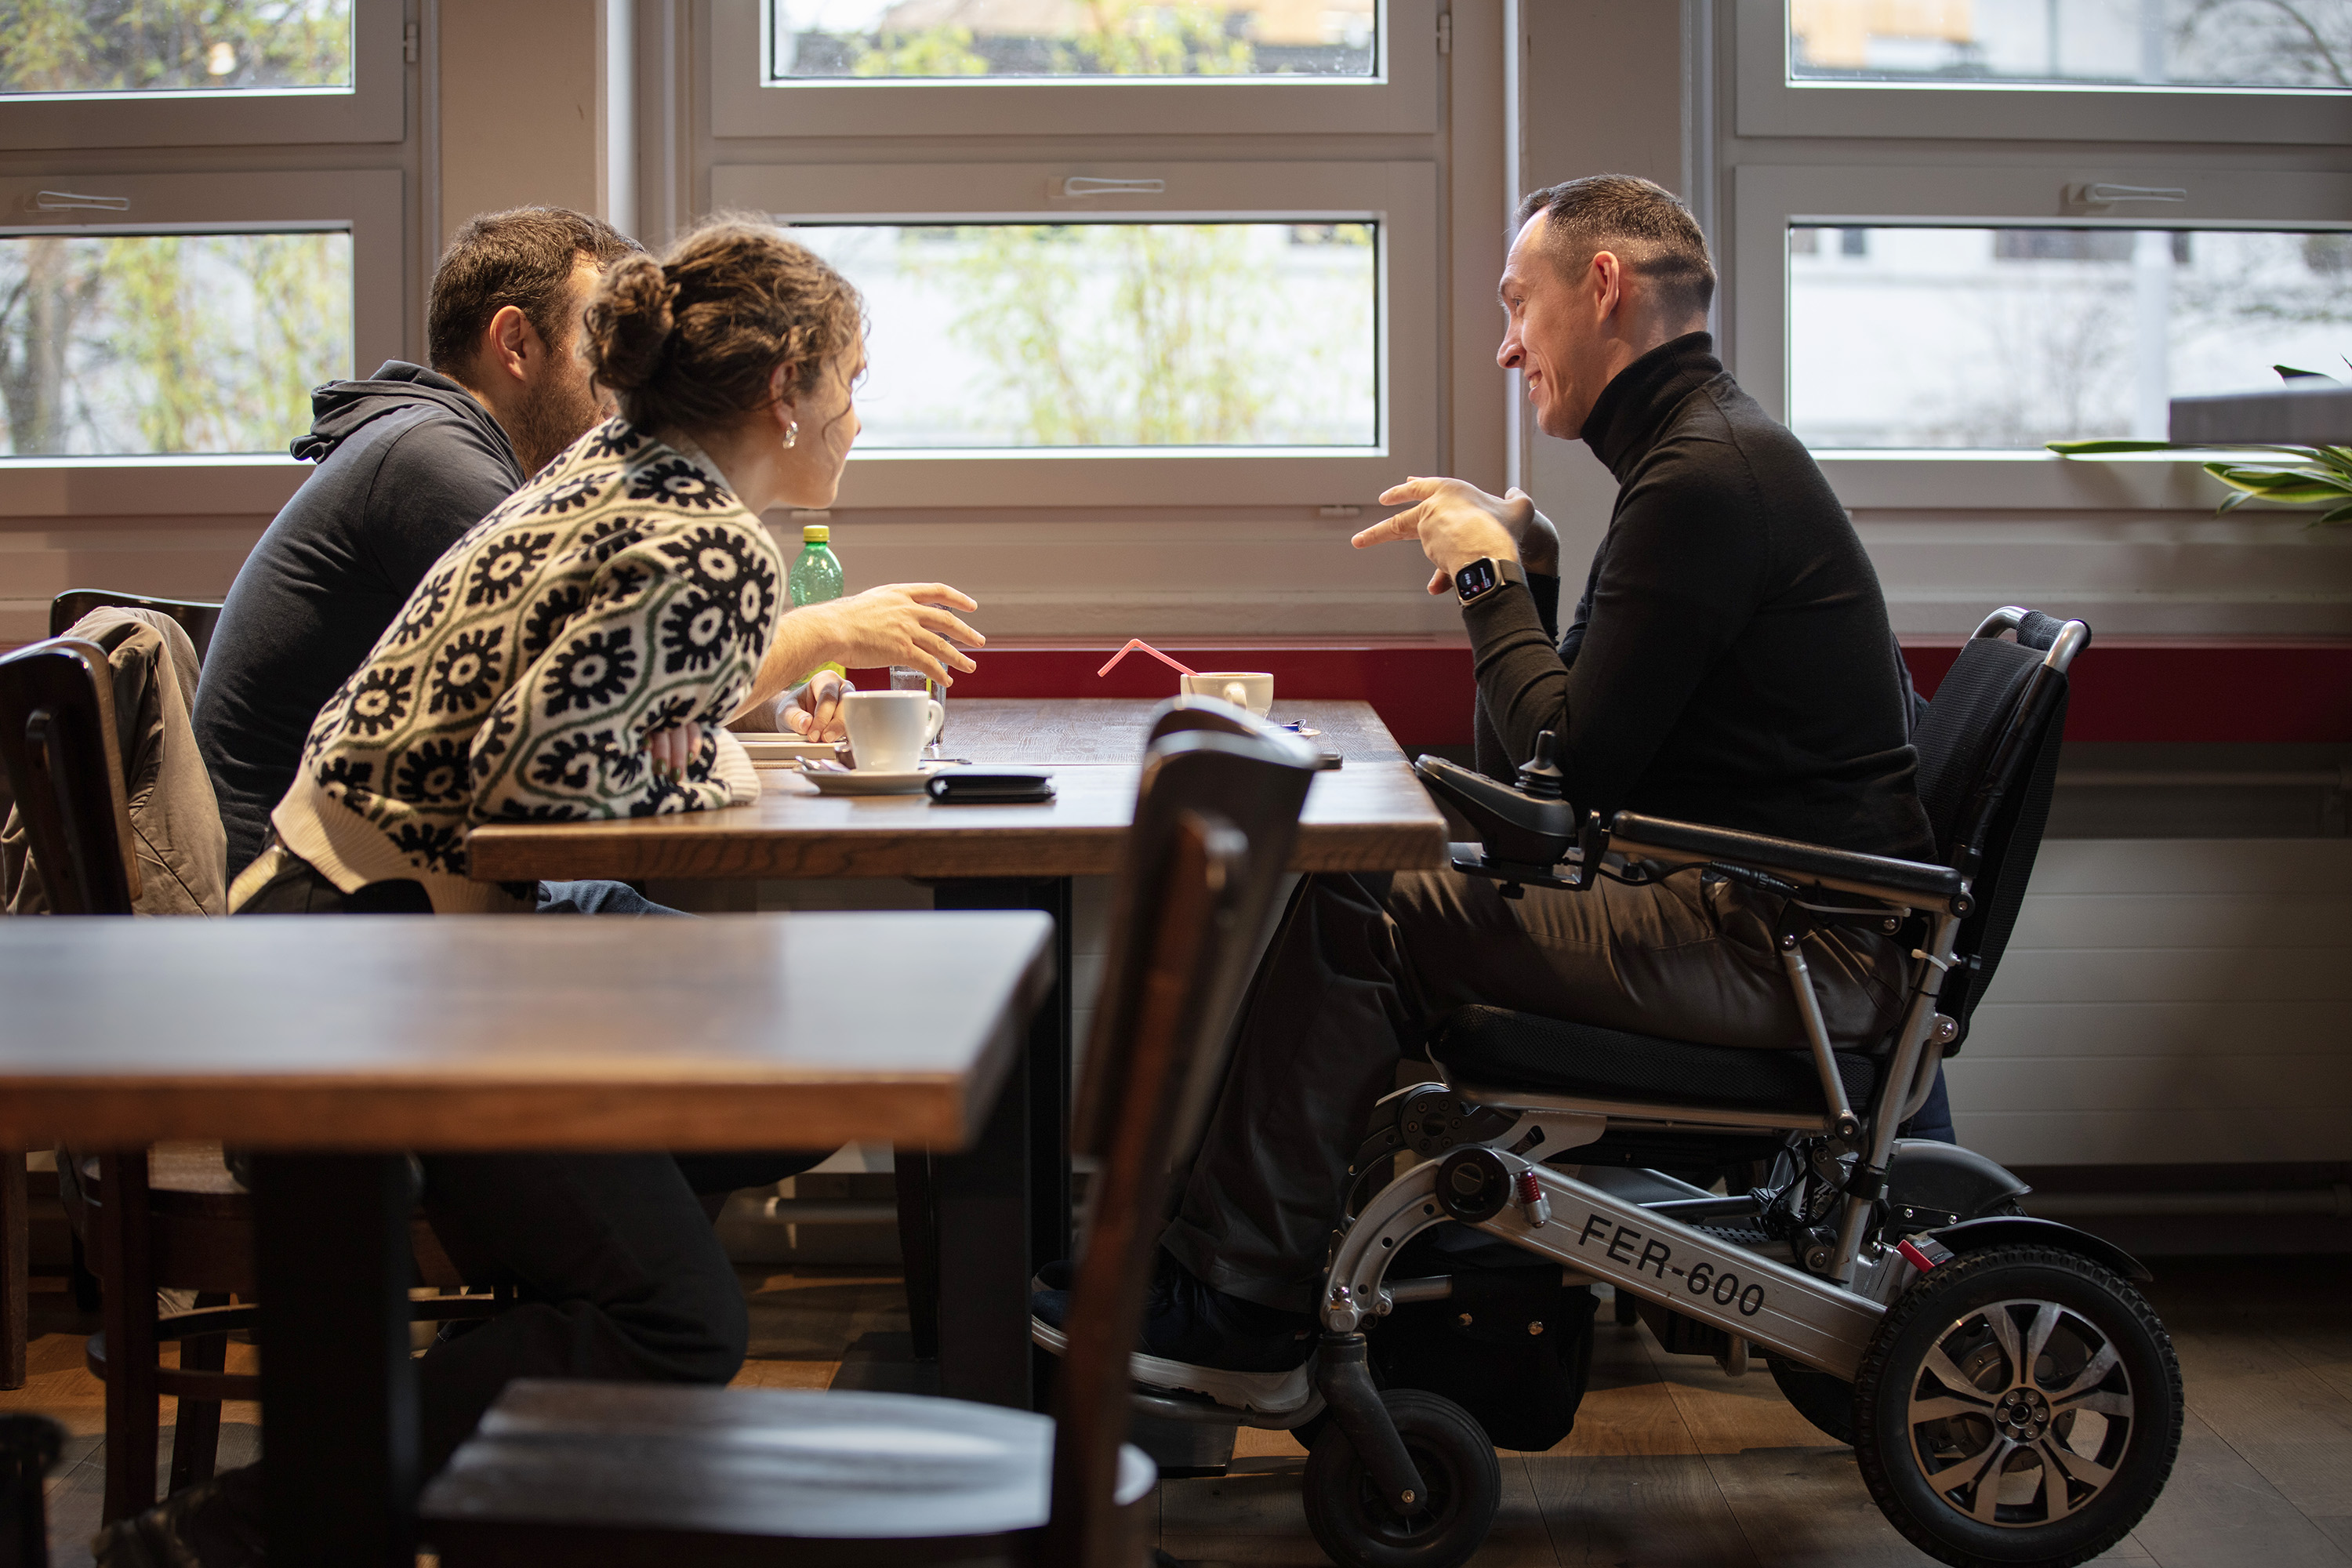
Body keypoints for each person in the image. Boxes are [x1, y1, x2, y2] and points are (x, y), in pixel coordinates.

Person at [96, 218, 982, 1568]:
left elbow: (584, 734)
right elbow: (542, 791)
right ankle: (236, 1533)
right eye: (854, 378)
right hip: (382, 964)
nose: (861, 415)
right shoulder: (713, 544)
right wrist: (713, 788)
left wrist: (690, 768)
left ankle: (539, 1417)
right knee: (681, 1317)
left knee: (804, 1064)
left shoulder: (613, 471)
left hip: (333, 917)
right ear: (787, 383)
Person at [1035, 175, 1942, 1413]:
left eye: (1521, 304)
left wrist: (1484, 581)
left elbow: (1563, 777)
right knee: (1379, 884)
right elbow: (1551, 767)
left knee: (1374, 907)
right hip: (1759, 917)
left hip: (1790, 946)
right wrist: (1534, 571)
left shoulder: (1704, 478)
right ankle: (1218, 1271)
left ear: (1605, 287)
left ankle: (1237, 1310)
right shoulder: (1701, 460)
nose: (1509, 343)